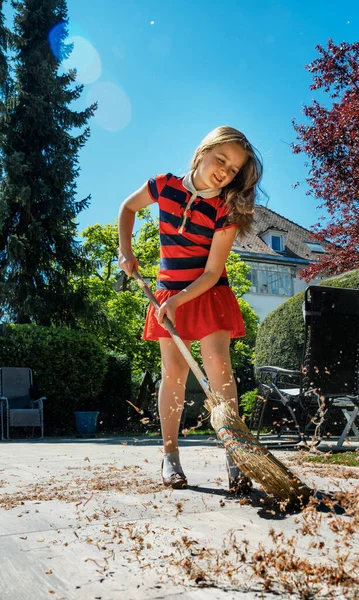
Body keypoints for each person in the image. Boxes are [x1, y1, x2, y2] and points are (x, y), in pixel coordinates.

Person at [118, 126, 263, 493]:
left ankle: (237, 457)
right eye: (221, 160)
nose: (225, 172)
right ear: (203, 152)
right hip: (169, 291)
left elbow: (213, 271)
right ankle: (170, 457)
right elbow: (127, 208)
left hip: (207, 292)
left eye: (232, 170)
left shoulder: (225, 209)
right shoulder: (164, 185)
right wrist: (127, 251)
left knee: (218, 367)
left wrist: (177, 301)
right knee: (174, 374)